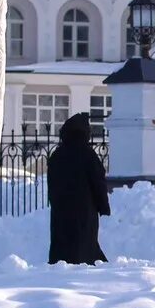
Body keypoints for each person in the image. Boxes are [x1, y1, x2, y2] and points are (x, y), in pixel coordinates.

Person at [47, 110, 111, 264]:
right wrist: (103, 206)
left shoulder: (57, 155)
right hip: (84, 208)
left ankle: (60, 263)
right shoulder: (88, 155)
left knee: (63, 242)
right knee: (84, 242)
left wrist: (54, 201)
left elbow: (51, 183)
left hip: (61, 209)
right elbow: (98, 182)